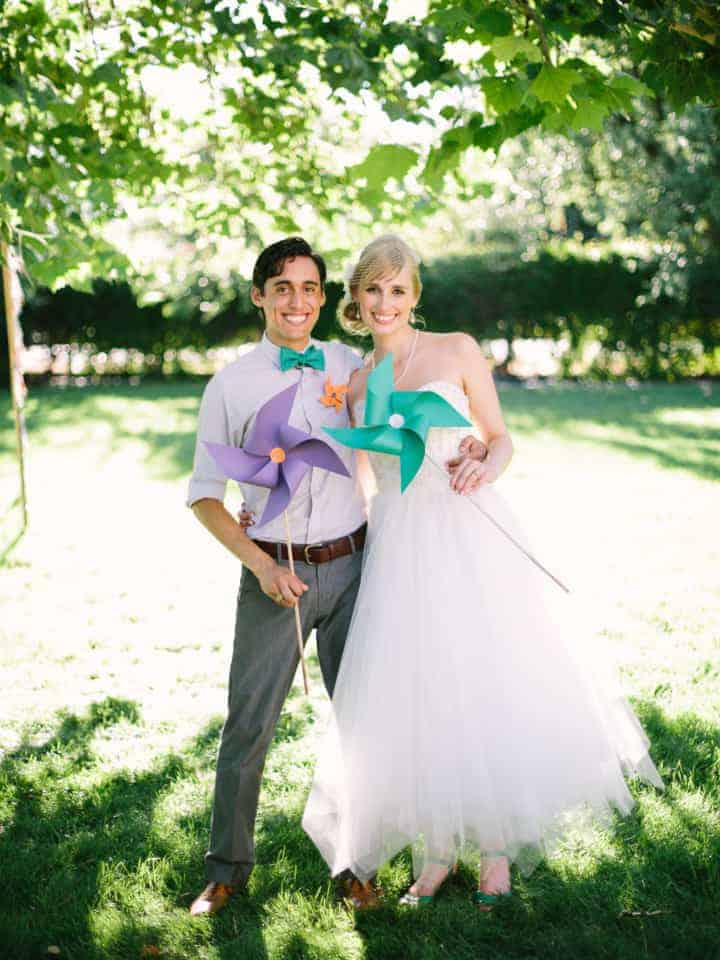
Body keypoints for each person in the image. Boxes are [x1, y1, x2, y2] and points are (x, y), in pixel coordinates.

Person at [301, 234, 663, 908]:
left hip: (468, 533)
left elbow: (501, 438)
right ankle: (435, 852)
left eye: (398, 290)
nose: (386, 303)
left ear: (415, 295)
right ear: (355, 296)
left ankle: (494, 848)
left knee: (480, 678)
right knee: (420, 693)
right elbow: (356, 482)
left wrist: (478, 462)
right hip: (400, 545)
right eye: (373, 289)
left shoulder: (457, 350)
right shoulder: (352, 388)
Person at [185, 236, 486, 915]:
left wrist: (466, 441)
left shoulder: (355, 364)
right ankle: (227, 869)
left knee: (364, 721)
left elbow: (413, 410)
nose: (298, 300)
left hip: (356, 565)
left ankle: (357, 863)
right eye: (283, 287)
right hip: (276, 573)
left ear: (326, 298)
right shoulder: (231, 384)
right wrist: (263, 566)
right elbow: (205, 493)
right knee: (248, 727)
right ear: (259, 295)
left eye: (311, 287)